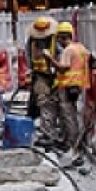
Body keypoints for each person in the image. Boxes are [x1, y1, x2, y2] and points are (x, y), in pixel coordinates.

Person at [45, 20, 91, 160]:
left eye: (58, 38)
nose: (58, 41)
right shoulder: (81, 48)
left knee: (68, 116)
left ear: (62, 37)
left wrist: (50, 59)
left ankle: (72, 144)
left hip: (67, 86)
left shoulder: (68, 50)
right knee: (72, 114)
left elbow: (62, 68)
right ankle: (71, 141)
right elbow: (92, 60)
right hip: (78, 86)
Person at [26, 15, 60, 149]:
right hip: (42, 76)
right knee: (45, 103)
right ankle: (48, 133)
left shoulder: (53, 39)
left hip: (53, 75)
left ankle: (49, 132)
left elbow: (60, 54)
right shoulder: (32, 41)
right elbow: (29, 56)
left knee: (51, 104)